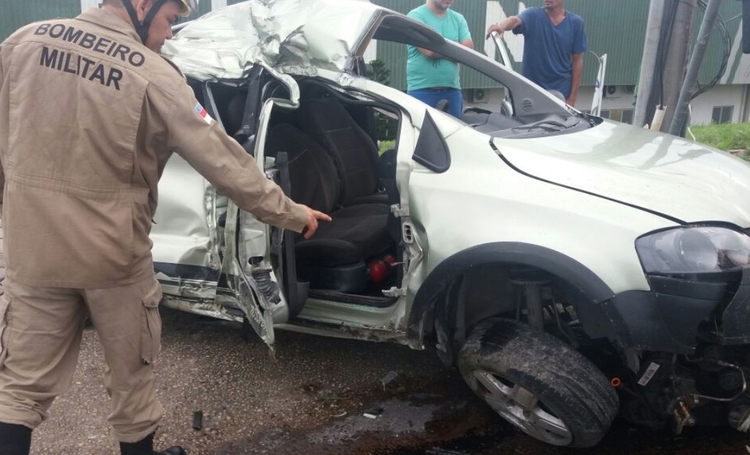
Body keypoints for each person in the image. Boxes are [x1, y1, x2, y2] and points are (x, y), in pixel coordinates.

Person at [0, 0, 331, 454]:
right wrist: (292, 213)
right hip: (112, 259)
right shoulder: (154, 75)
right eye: (171, 19)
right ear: (141, 4)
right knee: (131, 381)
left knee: (18, 388)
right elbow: (225, 163)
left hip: (32, 251)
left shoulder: (20, 44)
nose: (171, 34)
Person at [486, 0, 587, 106]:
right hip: (531, 93)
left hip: (561, 93)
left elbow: (577, 61)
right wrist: (501, 26)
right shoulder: (533, 15)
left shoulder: (576, 23)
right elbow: (515, 20)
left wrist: (572, 98)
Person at [406, 0, 474, 118]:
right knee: (422, 135)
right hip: (421, 91)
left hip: (452, 92)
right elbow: (428, 51)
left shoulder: (458, 19)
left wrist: (439, 46)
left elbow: (468, 50)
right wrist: (456, 49)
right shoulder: (415, 16)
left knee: (455, 136)